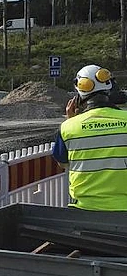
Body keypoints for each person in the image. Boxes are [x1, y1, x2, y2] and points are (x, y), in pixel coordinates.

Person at [52, 64, 127, 211]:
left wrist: (72, 121)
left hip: (84, 211)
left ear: (78, 97)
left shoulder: (68, 128)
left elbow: (63, 164)